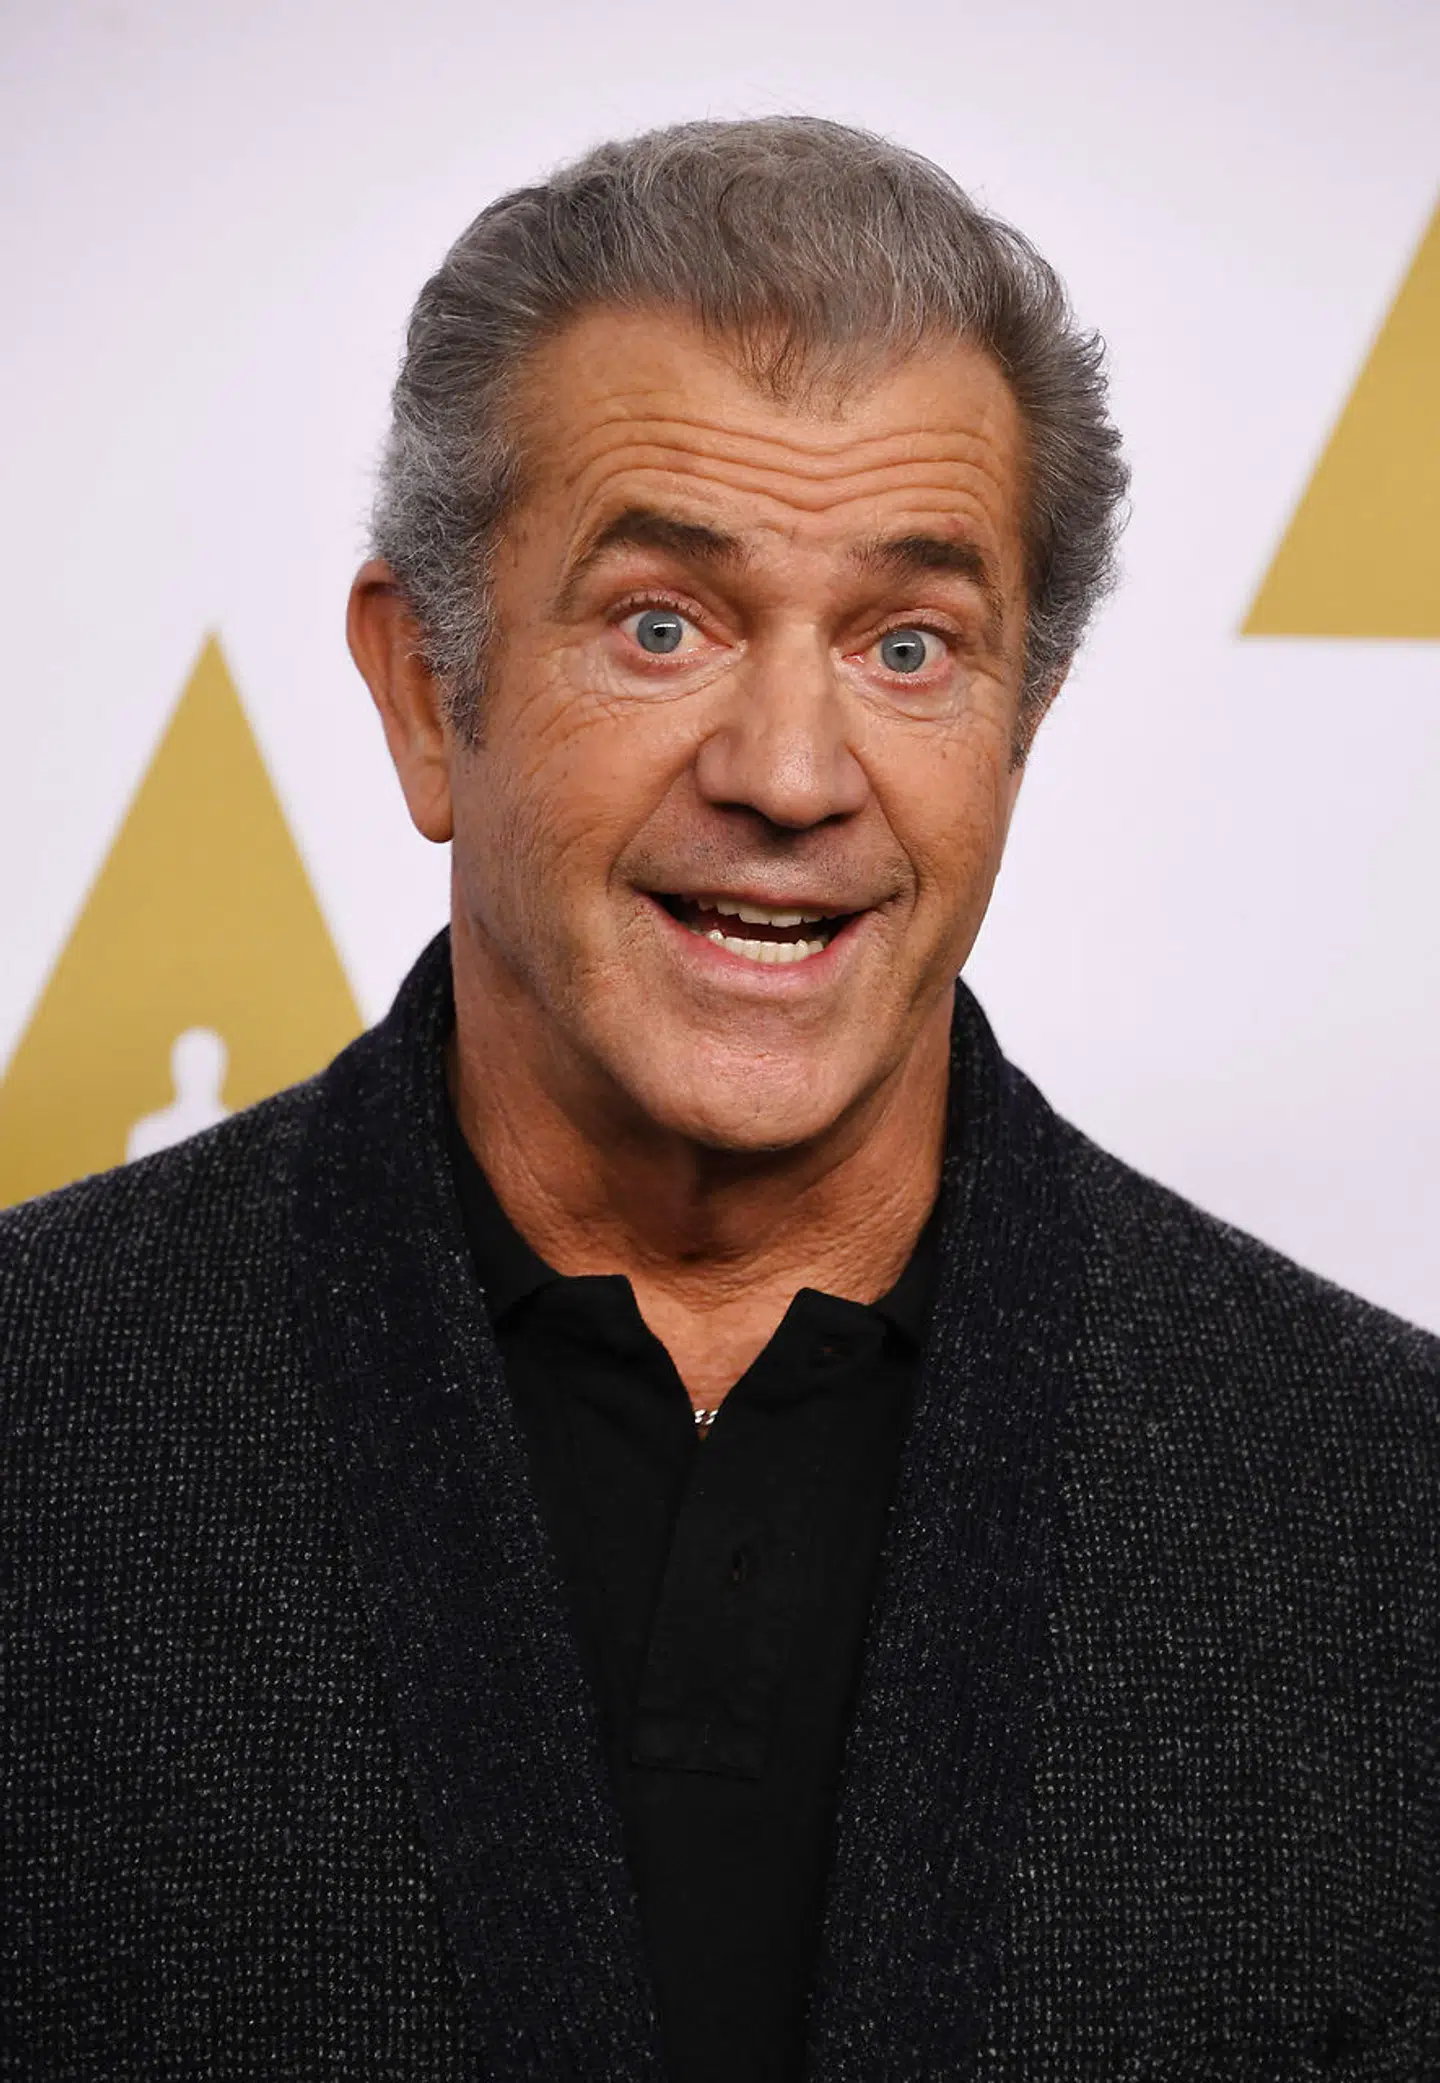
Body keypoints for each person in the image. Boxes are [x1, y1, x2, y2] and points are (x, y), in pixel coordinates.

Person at [2, 118, 1435, 2083]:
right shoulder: (38, 1418)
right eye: (663, 622)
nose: (788, 768)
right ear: (429, 692)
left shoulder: (1382, 1513)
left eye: (907, 644)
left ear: (1022, 726)